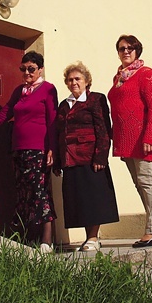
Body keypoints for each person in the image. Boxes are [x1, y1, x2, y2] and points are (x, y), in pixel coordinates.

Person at [0, 51, 58, 253]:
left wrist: (52, 148)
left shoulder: (48, 89)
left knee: (39, 192)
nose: (27, 72)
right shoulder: (20, 91)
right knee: (24, 194)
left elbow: (52, 120)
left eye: (31, 69)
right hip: (19, 150)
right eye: (23, 69)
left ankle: (46, 240)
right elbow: (2, 116)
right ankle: (29, 237)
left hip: (39, 150)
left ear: (40, 69)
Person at [107, 35, 152, 248]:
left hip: (143, 139)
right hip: (126, 141)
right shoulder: (120, 77)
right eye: (122, 48)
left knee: (148, 181)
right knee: (140, 183)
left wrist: (151, 137)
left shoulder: (146, 74)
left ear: (137, 50)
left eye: (130, 48)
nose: (126, 51)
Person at [54, 62, 119, 252]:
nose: (74, 82)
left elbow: (103, 129)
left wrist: (100, 157)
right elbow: (60, 133)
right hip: (70, 159)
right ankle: (87, 238)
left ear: (86, 81)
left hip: (90, 157)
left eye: (77, 79)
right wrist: (59, 160)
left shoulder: (96, 99)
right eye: (70, 79)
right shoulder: (63, 105)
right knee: (80, 199)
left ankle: (93, 237)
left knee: (94, 198)